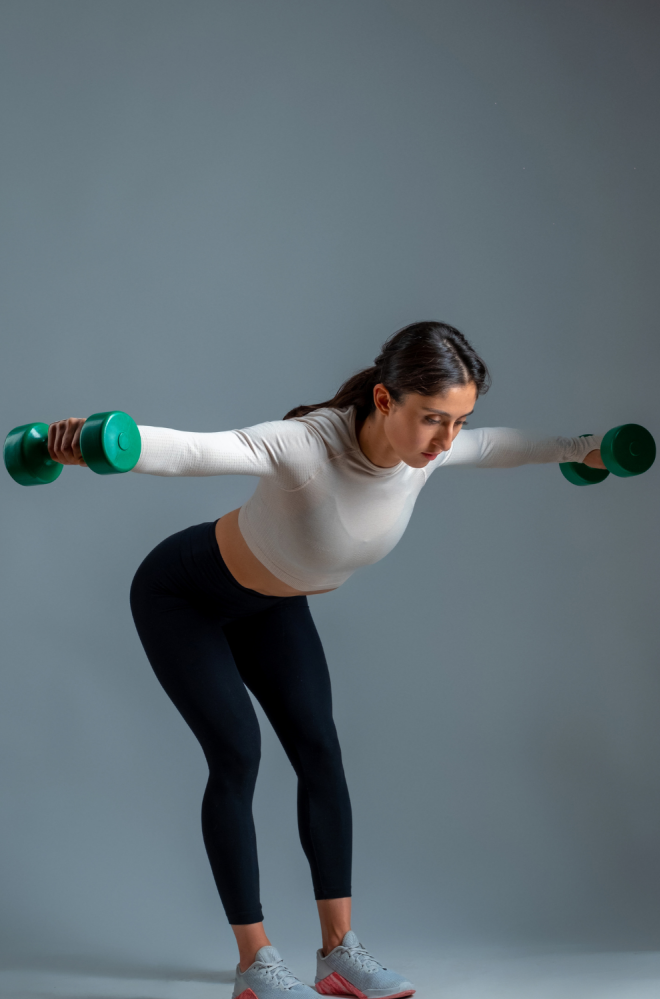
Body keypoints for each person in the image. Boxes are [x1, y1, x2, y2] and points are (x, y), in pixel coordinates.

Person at [48, 321, 605, 999]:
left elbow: (499, 447)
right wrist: (103, 443)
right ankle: (256, 963)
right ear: (383, 400)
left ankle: (338, 953)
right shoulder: (308, 443)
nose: (447, 439)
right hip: (183, 595)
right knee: (238, 753)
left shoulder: (428, 454)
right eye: (434, 419)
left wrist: (587, 449)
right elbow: (199, 451)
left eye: (459, 420)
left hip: (274, 602)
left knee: (320, 750)